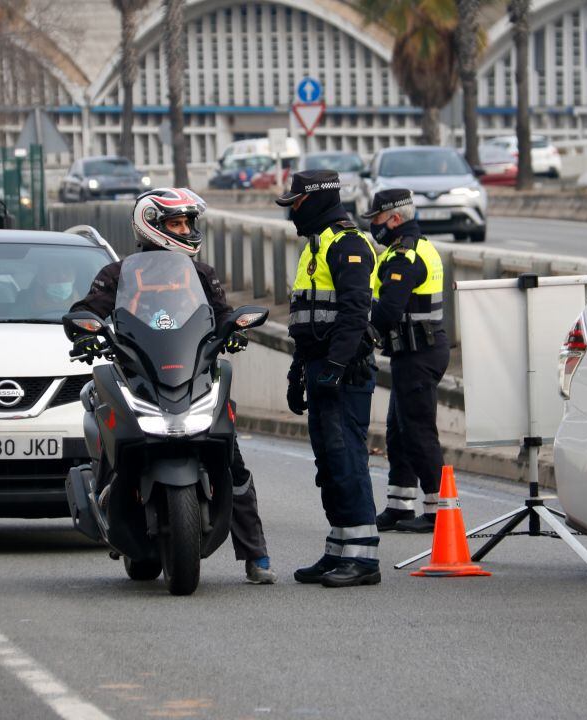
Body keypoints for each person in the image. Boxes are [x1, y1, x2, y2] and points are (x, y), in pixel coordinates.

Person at [69, 187, 275, 584]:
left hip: (193, 374)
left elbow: (222, 314)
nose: (185, 230)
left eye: (187, 223)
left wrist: (232, 329)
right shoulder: (117, 274)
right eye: (177, 223)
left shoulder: (201, 274)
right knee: (114, 432)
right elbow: (87, 308)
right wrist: (84, 330)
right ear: (151, 226)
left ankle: (256, 555)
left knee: (231, 460)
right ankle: (108, 499)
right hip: (141, 377)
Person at [278, 169, 381, 588]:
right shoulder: (314, 248)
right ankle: (339, 547)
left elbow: (356, 313)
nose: (292, 213)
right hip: (321, 369)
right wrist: (297, 373)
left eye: (296, 204)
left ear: (317, 200)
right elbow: (307, 320)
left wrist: (336, 367)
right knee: (328, 463)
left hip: (346, 372)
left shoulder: (349, 245)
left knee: (347, 460)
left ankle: (363, 558)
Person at [365, 189, 450, 534]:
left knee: (418, 433)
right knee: (398, 433)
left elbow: (388, 309)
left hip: (418, 353)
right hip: (412, 352)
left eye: (377, 220)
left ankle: (438, 510)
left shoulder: (405, 255)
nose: (374, 226)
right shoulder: (413, 247)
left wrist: (362, 330)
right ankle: (400, 505)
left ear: (395, 218)